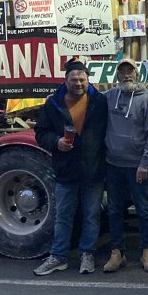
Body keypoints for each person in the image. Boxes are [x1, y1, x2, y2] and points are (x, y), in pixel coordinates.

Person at [33, 60, 108, 276]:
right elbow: (41, 132)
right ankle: (58, 256)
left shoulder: (100, 102)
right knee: (63, 216)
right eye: (74, 79)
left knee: (91, 215)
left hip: (93, 169)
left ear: (88, 79)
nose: (78, 83)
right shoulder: (53, 104)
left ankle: (87, 254)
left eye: (82, 79)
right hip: (66, 169)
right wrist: (56, 142)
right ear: (65, 80)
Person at [103, 58, 148, 273]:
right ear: (117, 75)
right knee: (114, 210)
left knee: (142, 210)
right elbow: (85, 97)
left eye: (130, 71)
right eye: (122, 71)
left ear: (137, 74)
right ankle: (117, 253)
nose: (127, 74)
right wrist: (58, 95)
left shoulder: (147, 100)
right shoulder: (109, 97)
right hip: (113, 165)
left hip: (137, 167)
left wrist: (144, 164)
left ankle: (147, 252)